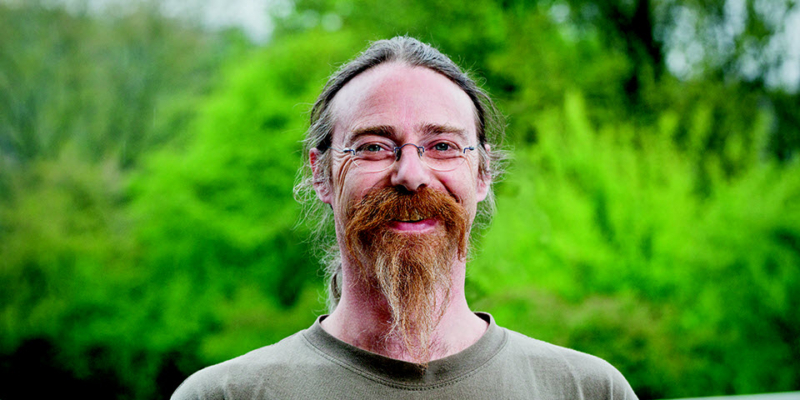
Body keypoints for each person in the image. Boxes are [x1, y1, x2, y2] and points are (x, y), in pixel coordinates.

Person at [172, 36, 638, 399]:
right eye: (374, 146)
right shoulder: (225, 395)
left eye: (443, 146)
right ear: (321, 174)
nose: (411, 174)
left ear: (482, 173)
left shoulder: (588, 390)